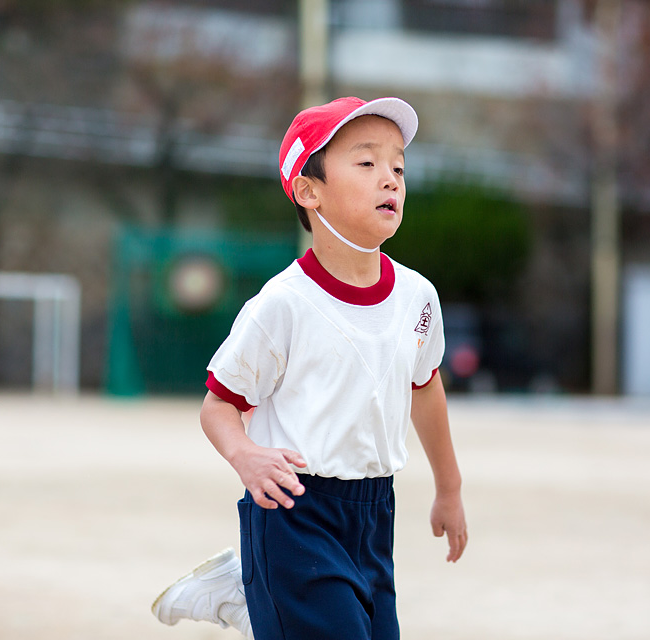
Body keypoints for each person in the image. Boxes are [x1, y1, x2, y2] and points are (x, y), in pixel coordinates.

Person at [151, 96, 468, 640]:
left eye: (398, 167)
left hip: (374, 514)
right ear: (308, 190)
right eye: (366, 163)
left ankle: (253, 595)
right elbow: (219, 405)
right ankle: (261, 586)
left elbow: (425, 388)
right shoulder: (283, 304)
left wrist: (450, 488)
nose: (389, 179)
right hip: (294, 511)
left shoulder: (418, 297)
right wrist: (245, 455)